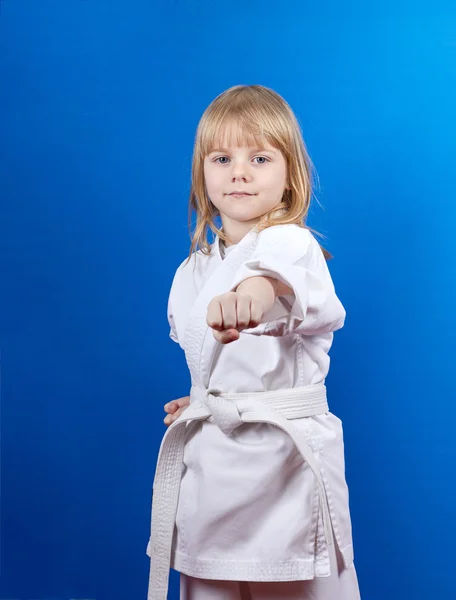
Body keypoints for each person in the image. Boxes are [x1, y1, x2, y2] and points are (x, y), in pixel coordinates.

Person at [146, 84, 361, 600]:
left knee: (295, 583)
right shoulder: (192, 269)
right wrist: (205, 400)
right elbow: (219, 362)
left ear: (290, 178)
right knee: (212, 583)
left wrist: (251, 295)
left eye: (259, 157)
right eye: (222, 158)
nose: (238, 172)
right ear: (203, 174)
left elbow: (277, 287)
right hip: (213, 467)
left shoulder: (293, 243)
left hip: (284, 468)